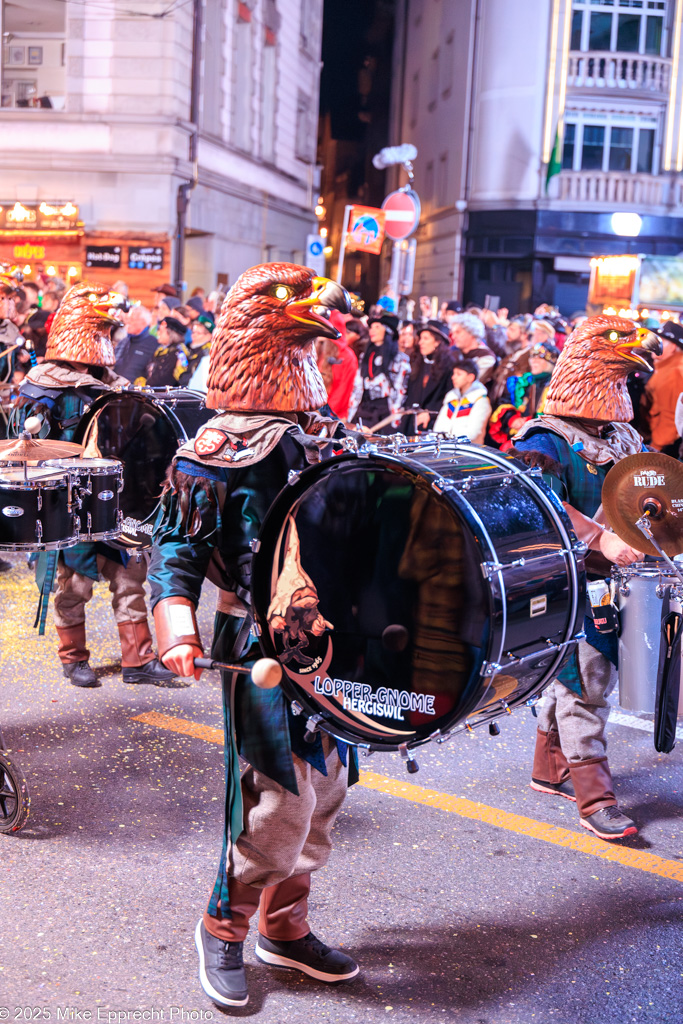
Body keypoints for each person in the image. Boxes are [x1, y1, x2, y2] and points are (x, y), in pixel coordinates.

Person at [148, 263, 359, 1009]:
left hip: (334, 643)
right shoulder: (212, 448)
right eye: (283, 298)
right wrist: (175, 625)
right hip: (258, 645)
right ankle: (223, 926)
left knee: (327, 792)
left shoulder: (320, 434)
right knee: (275, 805)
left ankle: (286, 927)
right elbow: (173, 548)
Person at [512, 314, 660, 840]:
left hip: (618, 571)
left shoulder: (620, 432)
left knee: (575, 675)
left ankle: (549, 770)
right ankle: (594, 797)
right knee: (586, 680)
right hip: (571, 574)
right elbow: (540, 503)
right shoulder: (544, 438)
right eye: (618, 342)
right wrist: (600, 539)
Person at [14, 282, 175, 689]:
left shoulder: (112, 384)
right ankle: (73, 659)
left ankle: (137, 661)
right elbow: (26, 447)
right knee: (74, 586)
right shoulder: (43, 387)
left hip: (113, 499)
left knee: (130, 579)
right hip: (67, 500)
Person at [488, 340, 559, 450]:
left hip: (545, 443)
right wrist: (512, 419)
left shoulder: (558, 387)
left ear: (551, 362)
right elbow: (503, 403)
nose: (533, 361)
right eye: (532, 357)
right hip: (516, 439)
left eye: (539, 357)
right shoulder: (521, 383)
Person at [348, 314, 410, 430]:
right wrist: (351, 412)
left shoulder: (399, 359)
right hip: (364, 408)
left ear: (387, 330)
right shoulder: (365, 356)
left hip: (385, 413)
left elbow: (400, 391)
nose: (372, 330)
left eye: (377, 327)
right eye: (371, 327)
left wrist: (396, 418)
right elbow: (357, 386)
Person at [399, 320, 458, 434]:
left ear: (437, 342)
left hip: (431, 426)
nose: (420, 342)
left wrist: (431, 414)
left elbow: (451, 398)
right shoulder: (417, 361)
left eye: (426, 338)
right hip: (410, 423)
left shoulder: (449, 366)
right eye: (420, 338)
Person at [639, 320, 683, 457]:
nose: (655, 345)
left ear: (673, 347)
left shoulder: (675, 372)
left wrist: (655, 447)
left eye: (662, 341)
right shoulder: (666, 368)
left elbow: (670, 417)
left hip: (664, 447)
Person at [433, 358, 492, 443]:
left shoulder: (480, 399)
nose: (453, 377)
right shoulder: (451, 396)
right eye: (453, 374)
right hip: (445, 446)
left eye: (459, 374)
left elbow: (473, 433)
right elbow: (439, 424)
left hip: (467, 449)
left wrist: (449, 438)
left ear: (470, 377)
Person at [315, 309, 358, 420]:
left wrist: (322, 414)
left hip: (333, 417)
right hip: (315, 414)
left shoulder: (347, 357)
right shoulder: (318, 351)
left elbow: (342, 394)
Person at [449, 312, 497, 385]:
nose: (453, 337)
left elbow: (470, 382)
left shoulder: (486, 357)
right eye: (453, 333)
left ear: (471, 333)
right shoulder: (453, 351)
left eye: (458, 332)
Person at [115, 305, 157, 385]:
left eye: (132, 319)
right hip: (116, 390)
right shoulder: (123, 342)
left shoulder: (153, 344)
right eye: (128, 319)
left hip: (136, 393)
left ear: (144, 322)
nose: (128, 322)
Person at [145, 315, 190, 387]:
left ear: (171, 334)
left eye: (161, 331)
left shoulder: (180, 353)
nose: (158, 333)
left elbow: (177, 378)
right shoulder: (159, 351)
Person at [184, 314, 215, 391]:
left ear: (209, 336)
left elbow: (189, 379)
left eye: (198, 333)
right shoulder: (188, 349)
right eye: (193, 332)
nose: (194, 335)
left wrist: (181, 371)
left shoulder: (206, 353)